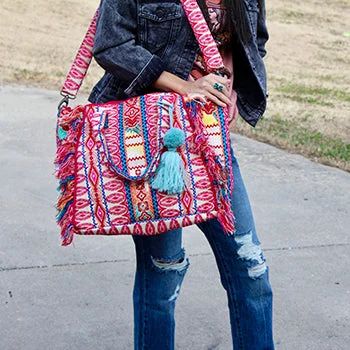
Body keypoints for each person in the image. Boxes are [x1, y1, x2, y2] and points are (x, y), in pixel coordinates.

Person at [89, 0, 274, 349]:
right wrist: (184, 86)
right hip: (149, 140)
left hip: (208, 137)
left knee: (251, 268)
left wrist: (226, 83)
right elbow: (111, 45)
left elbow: (252, 40)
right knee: (163, 271)